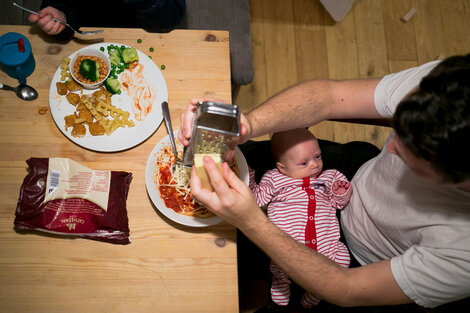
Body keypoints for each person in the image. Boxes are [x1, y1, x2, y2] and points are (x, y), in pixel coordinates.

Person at [179, 53, 470, 310]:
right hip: (352, 176)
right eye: (399, 128)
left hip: (357, 267)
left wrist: (252, 221)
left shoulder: (462, 255)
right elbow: (329, 96)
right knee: (247, 155)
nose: (390, 146)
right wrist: (246, 125)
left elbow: (347, 289)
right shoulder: (453, 87)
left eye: (410, 154)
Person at [249, 128, 352, 308]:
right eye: (304, 163)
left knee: (343, 260)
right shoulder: (274, 178)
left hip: (327, 247)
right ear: (282, 168)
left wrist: (341, 191)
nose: (314, 165)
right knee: (278, 261)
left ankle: (316, 292)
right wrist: (249, 180)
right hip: (289, 245)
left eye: (318, 156)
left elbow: (339, 203)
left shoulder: (330, 176)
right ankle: (281, 281)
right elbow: (257, 199)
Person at [28, 0, 186, 41]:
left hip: (143, 34)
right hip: (85, 34)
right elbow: (59, 6)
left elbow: (169, 19)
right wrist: (61, 17)